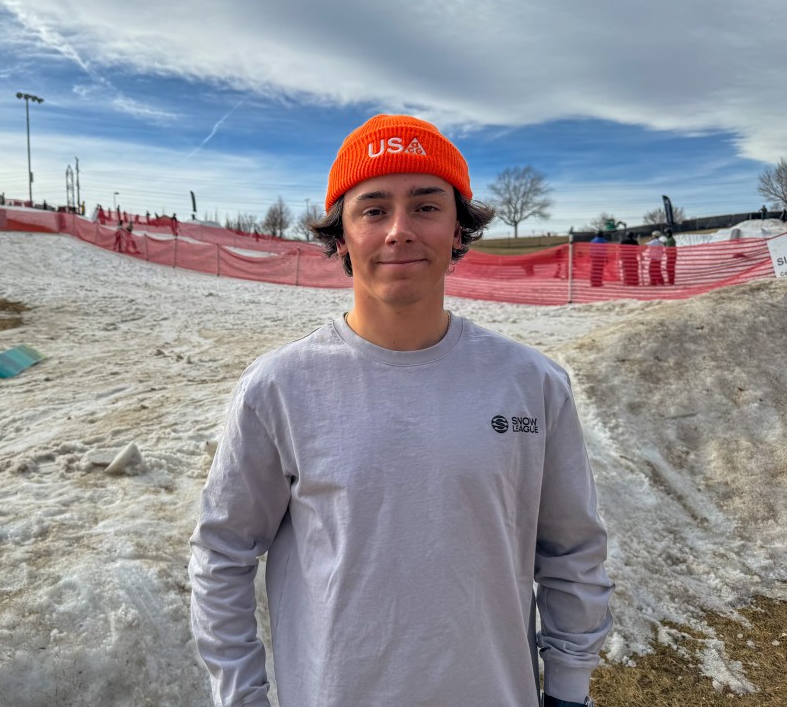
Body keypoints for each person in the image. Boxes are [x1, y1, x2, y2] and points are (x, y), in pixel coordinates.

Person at [189, 114, 614, 707]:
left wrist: (569, 690)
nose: (398, 231)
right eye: (372, 209)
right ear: (340, 235)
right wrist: (240, 697)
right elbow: (223, 552)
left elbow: (570, 550)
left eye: (426, 206)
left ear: (459, 230)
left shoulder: (532, 383)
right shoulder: (279, 388)